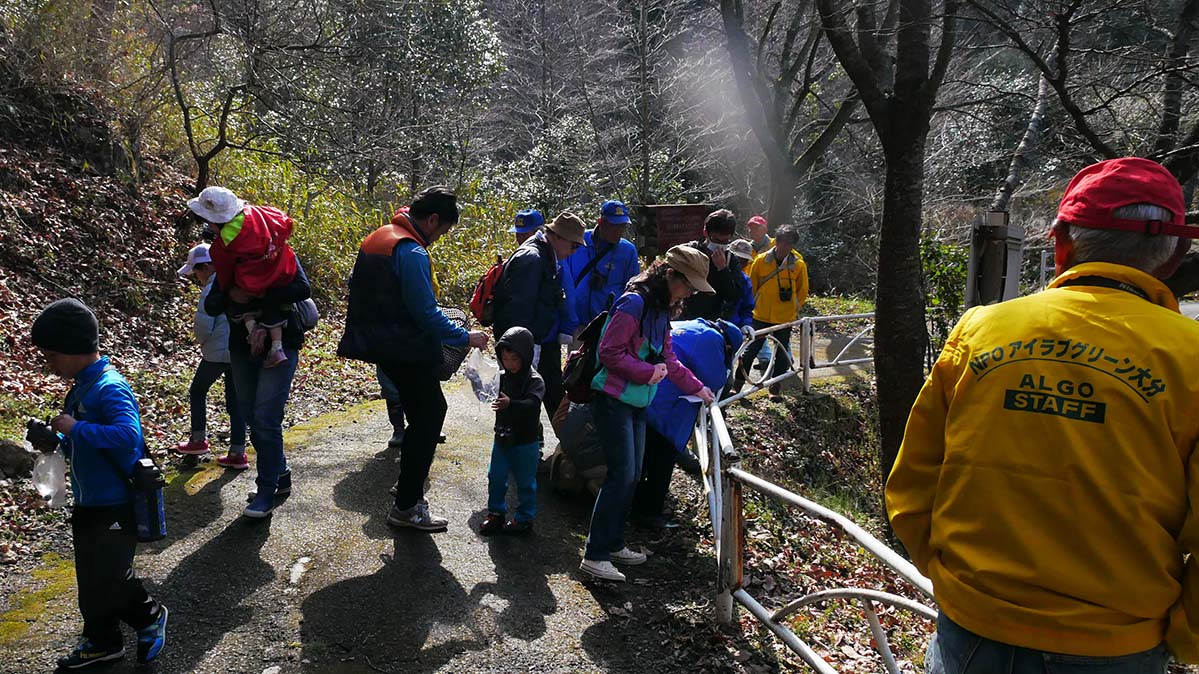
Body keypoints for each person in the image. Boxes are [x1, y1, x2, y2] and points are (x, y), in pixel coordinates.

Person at [888, 157, 1199, 671]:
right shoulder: (1190, 356)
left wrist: (954, 581)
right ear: (1174, 256)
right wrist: (1182, 638)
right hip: (1115, 648)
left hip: (971, 633)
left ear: (1060, 243)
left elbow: (913, 484)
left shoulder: (980, 330)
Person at [338, 186, 489, 532]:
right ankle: (407, 506)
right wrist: (465, 337)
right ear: (433, 220)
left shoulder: (379, 237)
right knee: (430, 415)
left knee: (420, 414)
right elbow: (425, 313)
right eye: (443, 230)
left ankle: (407, 485)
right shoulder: (412, 251)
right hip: (405, 348)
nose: (439, 237)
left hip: (380, 345)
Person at [28, 299, 168, 668]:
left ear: (75, 347)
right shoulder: (80, 387)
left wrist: (76, 428)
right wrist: (55, 440)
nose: (49, 364)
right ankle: (102, 641)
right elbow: (84, 442)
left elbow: (127, 436)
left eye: (53, 355)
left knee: (111, 577)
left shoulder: (109, 386)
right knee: (90, 580)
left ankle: (150, 616)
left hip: (116, 500)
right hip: (88, 500)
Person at [579, 245, 717, 582]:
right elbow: (609, 352)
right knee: (622, 475)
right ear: (670, 275)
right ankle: (595, 555)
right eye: (688, 285)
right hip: (613, 399)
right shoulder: (634, 303)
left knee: (633, 474)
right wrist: (646, 372)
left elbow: (668, 359)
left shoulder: (661, 310)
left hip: (639, 402)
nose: (690, 294)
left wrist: (699, 388)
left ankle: (613, 544)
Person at [204, 240, 311, 518]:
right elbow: (212, 304)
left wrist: (258, 293)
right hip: (242, 348)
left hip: (282, 344)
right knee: (251, 414)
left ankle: (266, 490)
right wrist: (232, 293)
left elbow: (302, 289)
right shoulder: (227, 257)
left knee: (266, 418)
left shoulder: (279, 250)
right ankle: (280, 473)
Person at [632, 318, 742, 528]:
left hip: (646, 393)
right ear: (728, 347)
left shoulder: (693, 325)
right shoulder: (712, 339)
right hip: (666, 405)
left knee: (643, 455)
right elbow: (716, 379)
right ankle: (650, 512)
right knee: (662, 459)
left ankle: (636, 503)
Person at [189, 186, 298, 368]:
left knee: (242, 302)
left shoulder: (223, 247)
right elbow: (286, 223)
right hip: (283, 272)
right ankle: (275, 345)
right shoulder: (263, 215)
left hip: (250, 284)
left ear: (213, 222)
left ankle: (253, 330)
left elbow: (224, 279)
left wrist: (229, 292)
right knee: (274, 308)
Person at [493, 212, 586, 417]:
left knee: (544, 395)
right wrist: (524, 351)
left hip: (537, 340)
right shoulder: (532, 258)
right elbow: (520, 310)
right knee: (518, 400)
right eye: (574, 246)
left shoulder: (546, 256)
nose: (574, 252)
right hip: (523, 344)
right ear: (558, 237)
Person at [174, 243, 249, 466]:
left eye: (196, 272)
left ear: (206, 267)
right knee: (236, 401)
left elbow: (204, 325)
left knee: (197, 390)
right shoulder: (235, 280)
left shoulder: (212, 288)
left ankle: (198, 439)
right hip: (238, 351)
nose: (196, 278)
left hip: (217, 353)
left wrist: (201, 341)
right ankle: (238, 452)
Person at [479, 326, 545, 536]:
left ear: (525, 356)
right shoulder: (501, 377)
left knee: (525, 482)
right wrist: (476, 375)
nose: (510, 364)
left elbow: (533, 404)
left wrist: (511, 404)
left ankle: (525, 518)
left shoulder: (534, 380)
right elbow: (485, 391)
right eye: (505, 359)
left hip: (526, 440)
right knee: (496, 477)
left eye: (514, 359)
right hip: (502, 437)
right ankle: (496, 513)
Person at [737, 226, 808, 400]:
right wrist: (751, 308)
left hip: (785, 317)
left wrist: (793, 308)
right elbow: (752, 286)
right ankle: (737, 386)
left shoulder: (798, 265)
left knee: (781, 354)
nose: (785, 246)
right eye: (782, 242)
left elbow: (802, 291)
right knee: (750, 350)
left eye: (789, 243)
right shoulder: (761, 261)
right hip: (760, 314)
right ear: (776, 241)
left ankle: (775, 390)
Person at [563, 200, 641, 328]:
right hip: (576, 322)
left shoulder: (627, 251)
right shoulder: (579, 241)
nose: (619, 231)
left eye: (622, 226)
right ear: (601, 222)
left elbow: (633, 289)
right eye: (614, 226)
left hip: (610, 325)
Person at [678, 209, 741, 321]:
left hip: (712, 321)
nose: (719, 245)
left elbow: (732, 296)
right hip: (683, 317)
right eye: (716, 240)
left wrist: (722, 269)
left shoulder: (731, 260)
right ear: (705, 233)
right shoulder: (689, 252)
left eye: (725, 242)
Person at [724, 239, 755, 329]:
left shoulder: (745, 281)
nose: (740, 264)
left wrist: (746, 324)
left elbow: (747, 308)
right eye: (738, 259)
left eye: (744, 261)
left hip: (733, 328)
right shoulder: (712, 273)